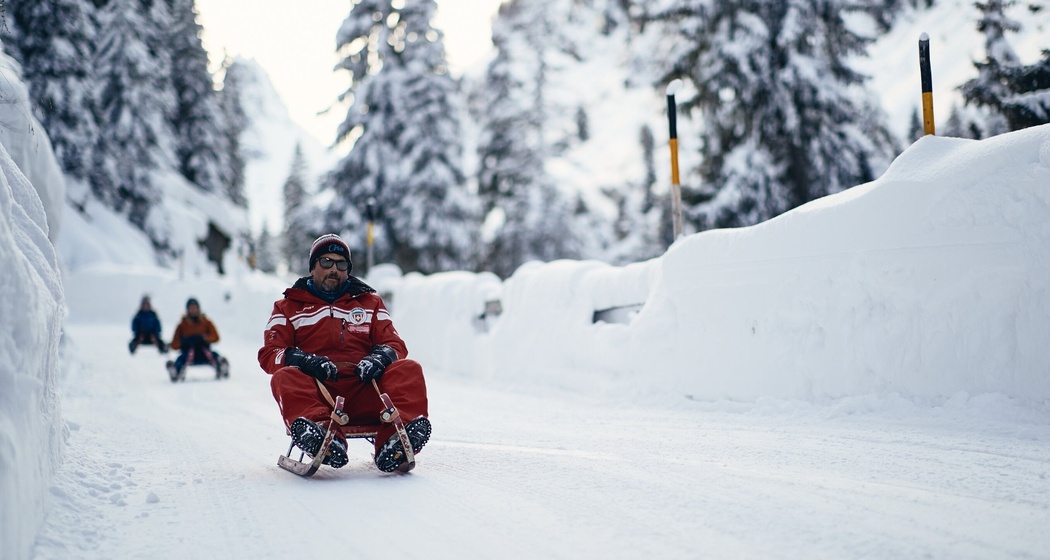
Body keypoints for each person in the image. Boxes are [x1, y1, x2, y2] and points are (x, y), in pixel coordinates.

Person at [258, 233, 430, 472]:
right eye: (326, 262)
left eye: (341, 264)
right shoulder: (287, 307)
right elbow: (270, 354)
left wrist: (379, 358)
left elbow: (395, 344)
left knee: (409, 368)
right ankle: (321, 436)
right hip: (319, 394)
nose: (334, 269)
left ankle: (396, 440)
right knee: (284, 376)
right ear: (313, 267)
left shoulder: (369, 302)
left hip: (365, 388)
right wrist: (305, 361)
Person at [167, 297, 227, 378]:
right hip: (188, 352)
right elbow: (174, 345)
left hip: (204, 351)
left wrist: (204, 338)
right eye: (191, 308)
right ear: (187, 310)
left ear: (199, 309)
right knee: (181, 359)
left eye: (195, 308)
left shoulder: (206, 322)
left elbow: (216, 337)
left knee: (214, 355)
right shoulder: (182, 325)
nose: (193, 310)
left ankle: (222, 366)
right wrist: (184, 342)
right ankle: (175, 371)